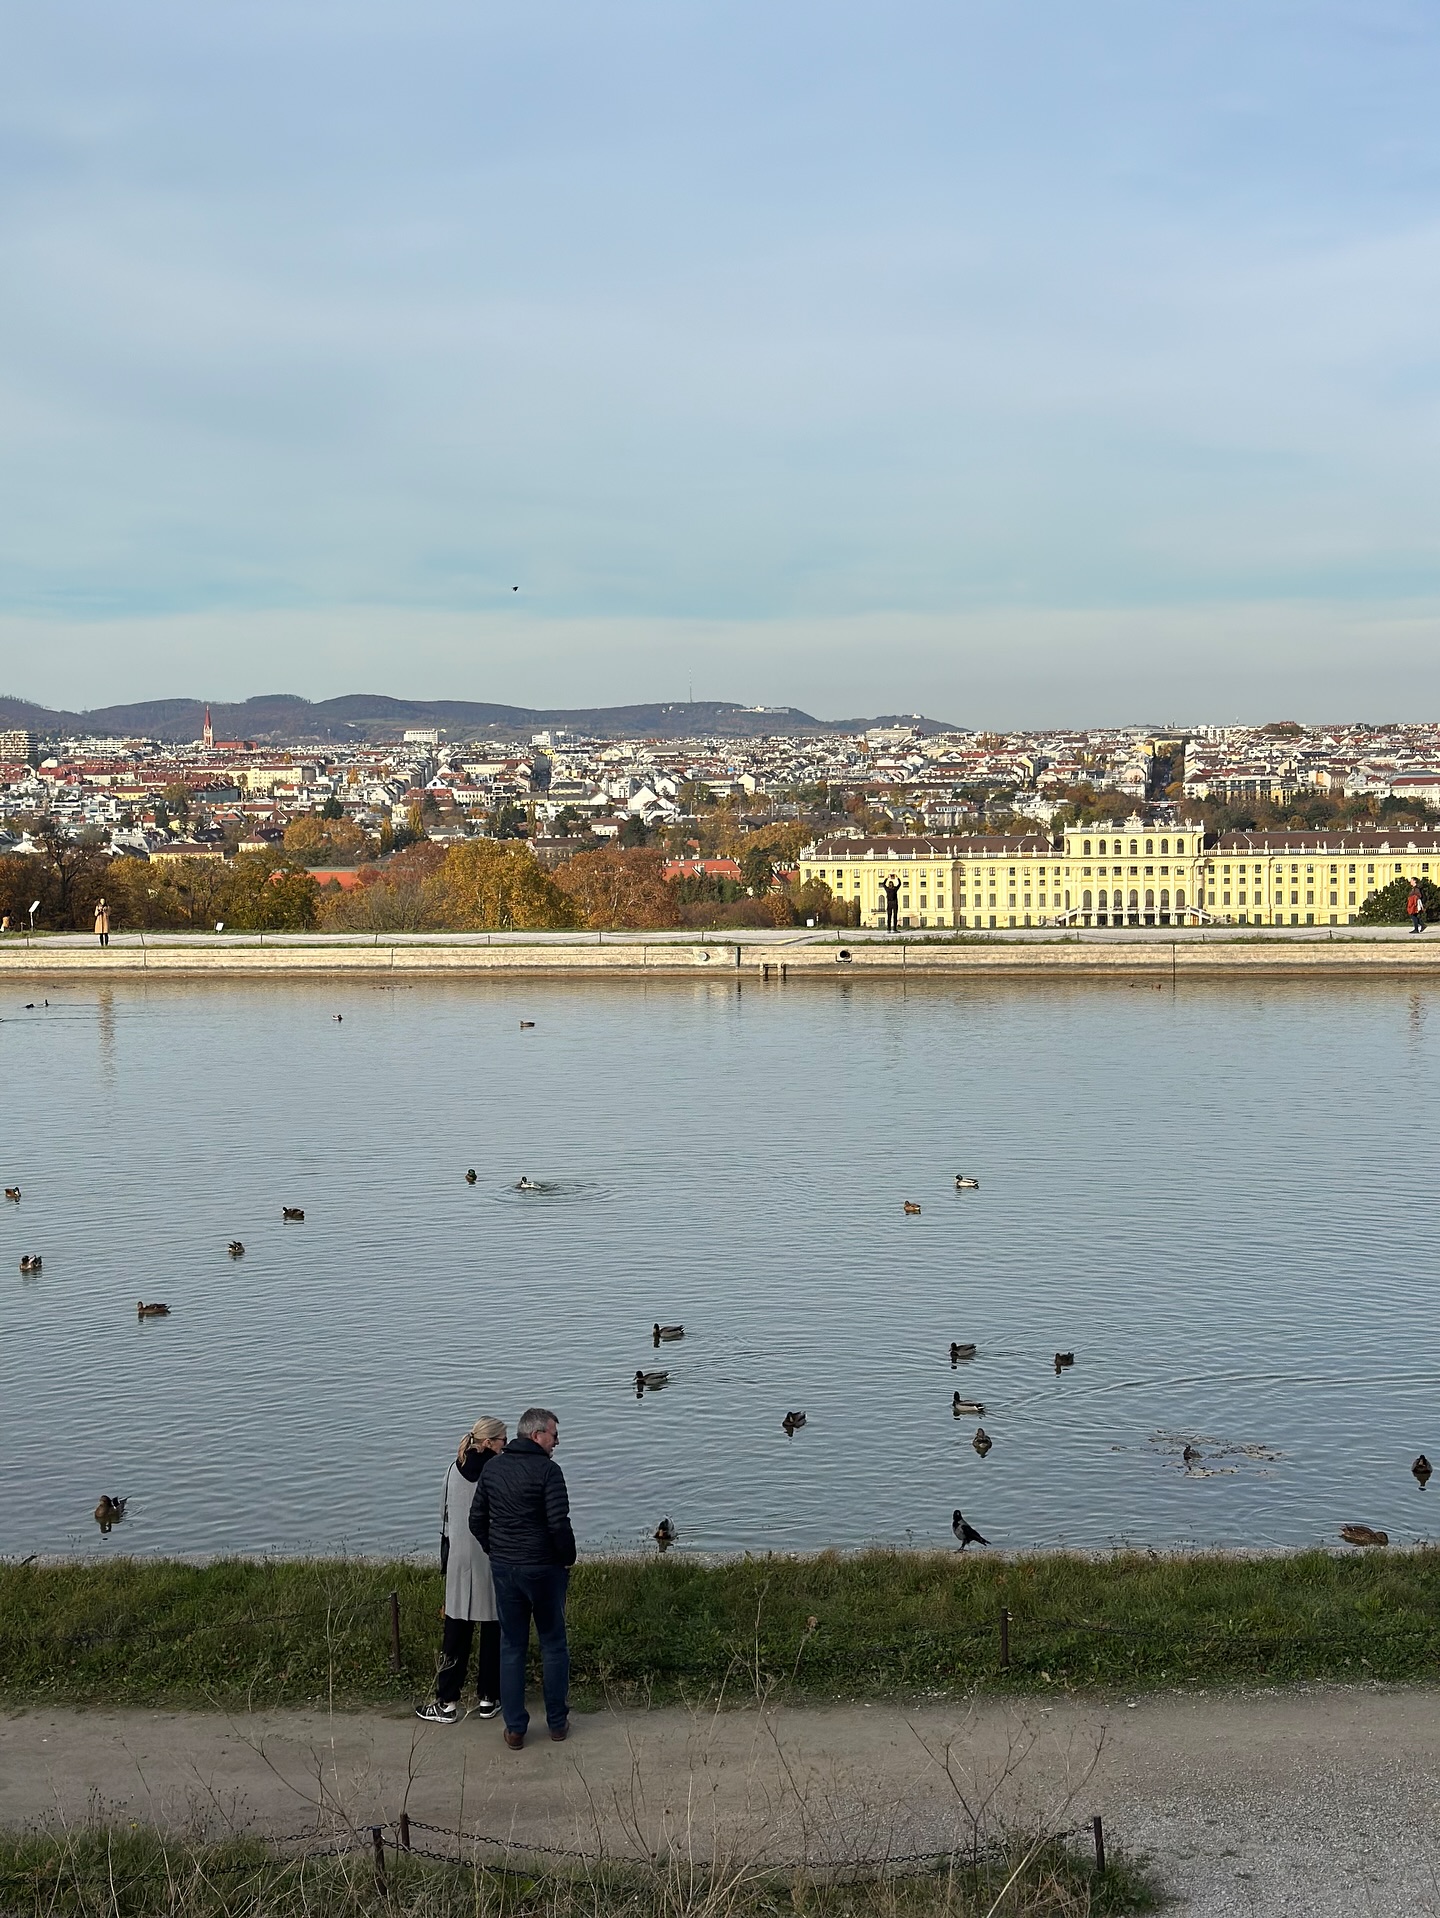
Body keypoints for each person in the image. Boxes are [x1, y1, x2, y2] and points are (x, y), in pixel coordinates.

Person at [470, 1406, 574, 1749]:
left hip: (506, 1569)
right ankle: (557, 1723)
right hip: (545, 1569)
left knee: (511, 1647)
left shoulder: (493, 1469)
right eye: (554, 1435)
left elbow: (476, 1520)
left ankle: (515, 1728)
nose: (557, 1442)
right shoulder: (549, 1472)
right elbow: (559, 1524)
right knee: (553, 1644)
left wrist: (495, 1550)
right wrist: (567, 1559)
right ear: (537, 1435)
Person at [415, 1416, 507, 1724]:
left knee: (456, 1630)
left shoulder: (453, 1469)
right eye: (503, 1441)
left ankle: (447, 1702)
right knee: (493, 1628)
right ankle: (488, 1699)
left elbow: (442, 1513)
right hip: (490, 1554)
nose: (506, 1446)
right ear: (489, 1443)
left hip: (459, 1558)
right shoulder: (497, 1471)